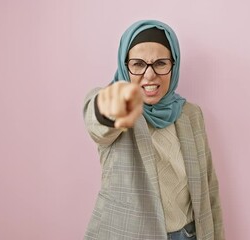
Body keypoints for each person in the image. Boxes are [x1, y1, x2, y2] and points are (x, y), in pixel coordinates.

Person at [83, 20, 224, 240]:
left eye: (160, 63)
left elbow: (208, 187)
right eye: (138, 64)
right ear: (124, 65)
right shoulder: (118, 106)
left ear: (173, 65)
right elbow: (98, 123)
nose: (150, 75)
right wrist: (113, 104)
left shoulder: (191, 114)